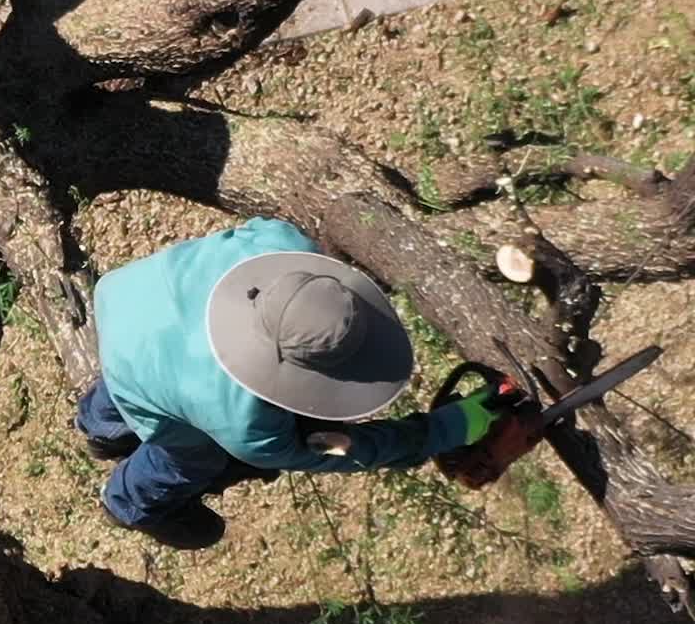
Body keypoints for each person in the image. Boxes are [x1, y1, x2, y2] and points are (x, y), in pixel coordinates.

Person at [76, 217, 501, 549]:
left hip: (127, 302)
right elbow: (339, 451)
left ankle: (99, 427)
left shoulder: (283, 244)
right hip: (149, 359)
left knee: (135, 372)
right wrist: (444, 430)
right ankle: (127, 503)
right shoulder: (243, 424)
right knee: (191, 457)